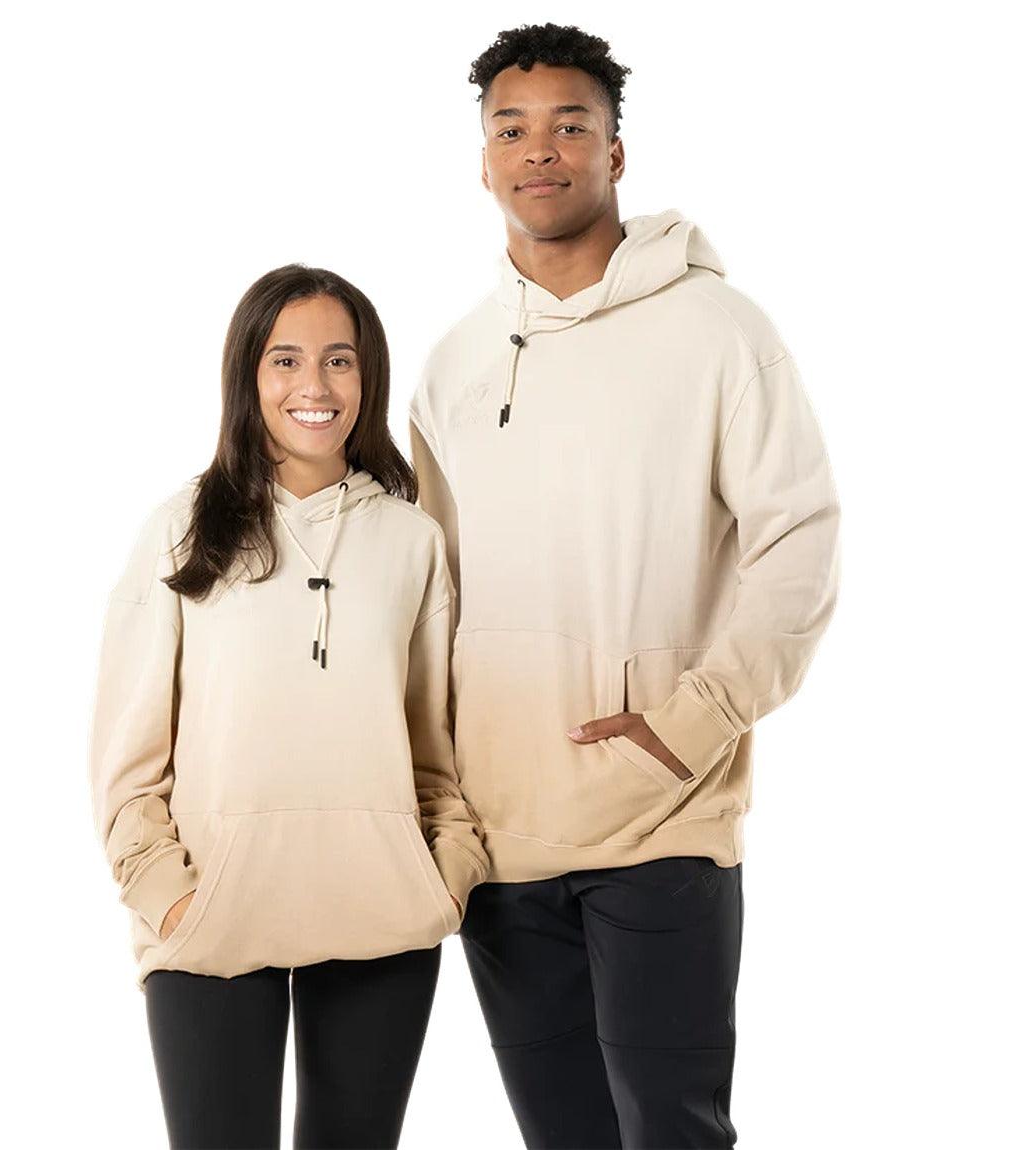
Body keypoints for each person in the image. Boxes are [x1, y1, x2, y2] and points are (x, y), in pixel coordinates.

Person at [409, 22, 841, 1150]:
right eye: (511, 129)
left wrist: (696, 717)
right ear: (483, 160)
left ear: (614, 152)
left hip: (663, 816)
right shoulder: (453, 365)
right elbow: (429, 596)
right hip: (501, 835)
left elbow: (798, 537)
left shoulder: (719, 333)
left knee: (672, 1132)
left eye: (569, 126)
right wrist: (438, 794)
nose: (538, 150)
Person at [88, 264, 490, 1150]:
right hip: (211, 923)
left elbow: (436, 749)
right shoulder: (182, 529)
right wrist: (169, 897)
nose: (316, 386)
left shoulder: (413, 540)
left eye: (339, 360)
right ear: (248, 375)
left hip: (383, 918)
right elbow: (128, 757)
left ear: (367, 376)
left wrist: (443, 878)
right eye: (286, 360)